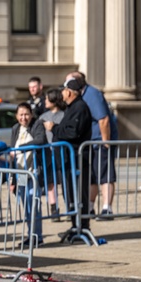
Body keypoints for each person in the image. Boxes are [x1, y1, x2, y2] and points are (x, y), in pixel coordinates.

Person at [45, 78, 94, 241]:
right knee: (71, 195)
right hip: (69, 159)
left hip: (78, 158)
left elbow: (73, 132)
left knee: (79, 194)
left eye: (64, 90)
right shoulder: (72, 108)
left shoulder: (80, 107)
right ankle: (75, 225)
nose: (61, 93)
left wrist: (54, 128)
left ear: (69, 92)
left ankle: (82, 227)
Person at [66, 71, 119, 220]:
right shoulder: (81, 96)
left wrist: (105, 142)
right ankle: (89, 207)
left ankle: (106, 208)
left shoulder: (92, 94)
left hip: (100, 141)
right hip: (90, 143)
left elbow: (103, 119)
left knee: (104, 175)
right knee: (92, 177)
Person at [8, 103, 46, 247]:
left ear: (31, 114)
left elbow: (40, 140)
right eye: (21, 115)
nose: (24, 118)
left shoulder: (37, 125)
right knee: (26, 204)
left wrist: (21, 148)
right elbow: (12, 153)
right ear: (17, 116)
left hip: (34, 171)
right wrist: (12, 179)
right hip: (21, 172)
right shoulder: (15, 129)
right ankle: (30, 235)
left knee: (34, 202)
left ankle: (37, 236)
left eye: (26, 114)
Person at [37, 87, 67, 220]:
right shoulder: (43, 117)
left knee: (65, 181)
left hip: (61, 153)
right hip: (47, 154)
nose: (45, 101)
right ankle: (53, 208)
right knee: (50, 182)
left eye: (47, 99)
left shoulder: (64, 115)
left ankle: (69, 207)